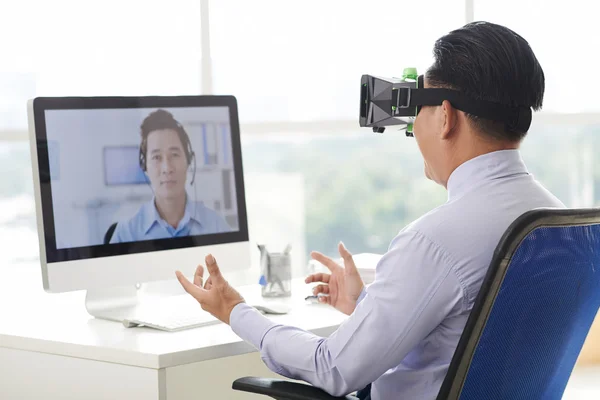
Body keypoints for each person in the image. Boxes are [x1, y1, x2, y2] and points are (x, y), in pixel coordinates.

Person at [175, 21, 565, 399]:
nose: (413, 129)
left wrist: (236, 311)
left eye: (419, 111)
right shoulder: (563, 223)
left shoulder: (434, 242)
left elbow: (332, 368)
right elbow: (480, 341)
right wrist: (368, 310)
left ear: (445, 117)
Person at [110, 109, 231, 243]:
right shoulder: (126, 233)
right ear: (145, 167)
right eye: (156, 157)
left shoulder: (216, 226)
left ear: (188, 161)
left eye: (174, 155)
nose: (167, 168)